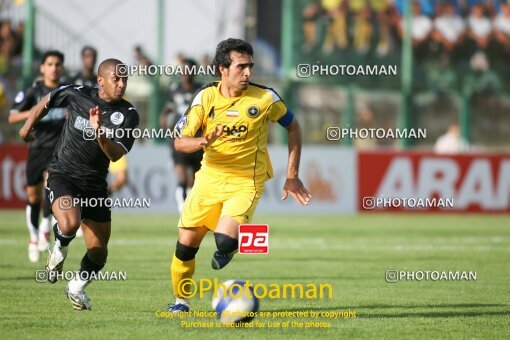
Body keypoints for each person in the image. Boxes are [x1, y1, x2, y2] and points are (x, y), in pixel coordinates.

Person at [167, 38, 311, 312]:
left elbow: (294, 127)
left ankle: (231, 245)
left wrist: (292, 175)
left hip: (247, 181)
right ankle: (180, 302)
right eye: (241, 67)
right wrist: (201, 142)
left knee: (224, 240)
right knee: (186, 245)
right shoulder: (205, 97)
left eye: (250, 67)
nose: (248, 73)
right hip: (209, 178)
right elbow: (179, 141)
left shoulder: (266, 97)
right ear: (222, 69)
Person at [19, 58, 139, 311]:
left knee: (98, 252)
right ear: (100, 80)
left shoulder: (129, 114)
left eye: (124, 79)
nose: (121, 84)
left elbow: (116, 154)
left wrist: (99, 134)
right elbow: (47, 100)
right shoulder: (77, 94)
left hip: (95, 186)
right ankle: (57, 252)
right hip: (63, 174)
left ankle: (75, 288)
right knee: (69, 223)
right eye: (116, 79)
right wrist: (27, 127)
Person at [8, 50, 66, 262]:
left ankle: (44, 228)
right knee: (33, 196)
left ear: (62, 67)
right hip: (37, 148)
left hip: (59, 151)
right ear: (42, 68)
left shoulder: (65, 92)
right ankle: (33, 237)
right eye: (49, 64)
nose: (54, 67)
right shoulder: (33, 91)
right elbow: (12, 117)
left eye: (58, 64)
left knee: (51, 186)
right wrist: (33, 112)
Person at [160, 58, 203, 212]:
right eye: (184, 70)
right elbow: (166, 111)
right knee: (182, 175)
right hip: (179, 138)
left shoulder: (201, 90)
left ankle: (189, 205)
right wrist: (165, 123)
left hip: (197, 138)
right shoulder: (174, 89)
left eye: (190, 70)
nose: (186, 73)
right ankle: (181, 202)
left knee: (195, 177)